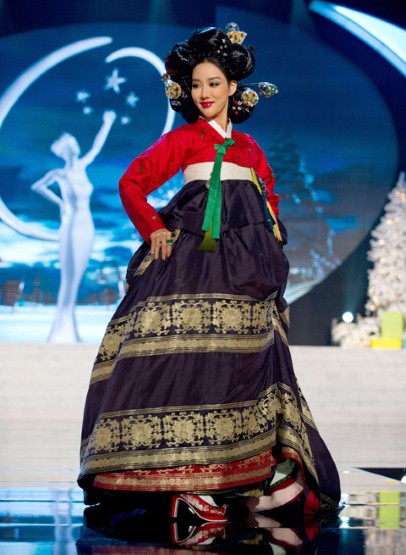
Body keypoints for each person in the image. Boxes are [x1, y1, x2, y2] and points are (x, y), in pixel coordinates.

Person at [78, 24, 341, 525]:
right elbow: (131, 182)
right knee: (182, 359)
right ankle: (175, 478)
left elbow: (268, 195)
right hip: (194, 262)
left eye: (214, 84)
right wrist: (153, 228)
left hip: (245, 269)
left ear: (232, 89)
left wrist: (273, 237)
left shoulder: (250, 148)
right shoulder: (182, 140)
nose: (204, 94)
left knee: (239, 366)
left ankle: (239, 476)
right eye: (197, 85)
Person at [31, 110, 116, 341]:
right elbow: (38, 186)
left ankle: (69, 328)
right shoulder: (59, 173)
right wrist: (60, 202)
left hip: (85, 224)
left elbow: (97, 147)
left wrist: (107, 123)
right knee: (68, 277)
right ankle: (61, 330)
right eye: (73, 143)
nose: (77, 146)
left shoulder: (82, 165)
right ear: (67, 149)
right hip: (70, 224)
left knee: (76, 275)